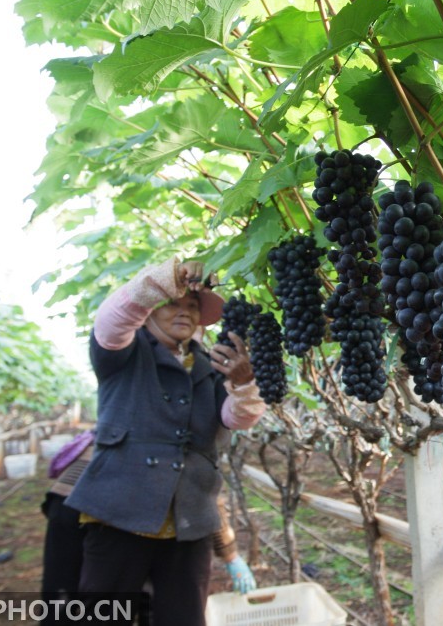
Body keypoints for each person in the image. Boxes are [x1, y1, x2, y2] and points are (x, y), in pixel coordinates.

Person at [64, 258, 267, 626]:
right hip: (120, 513)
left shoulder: (212, 366)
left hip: (190, 518)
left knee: (185, 618)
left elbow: (238, 418)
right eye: (173, 303)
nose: (185, 312)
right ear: (151, 310)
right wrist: (166, 278)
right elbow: (114, 320)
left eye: (192, 306)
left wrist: (243, 383)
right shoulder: (122, 350)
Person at [40, 433, 257, 625]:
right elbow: (203, 500)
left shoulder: (131, 417)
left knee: (64, 593)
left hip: (68, 497)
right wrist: (230, 555)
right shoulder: (181, 439)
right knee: (141, 594)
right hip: (112, 502)